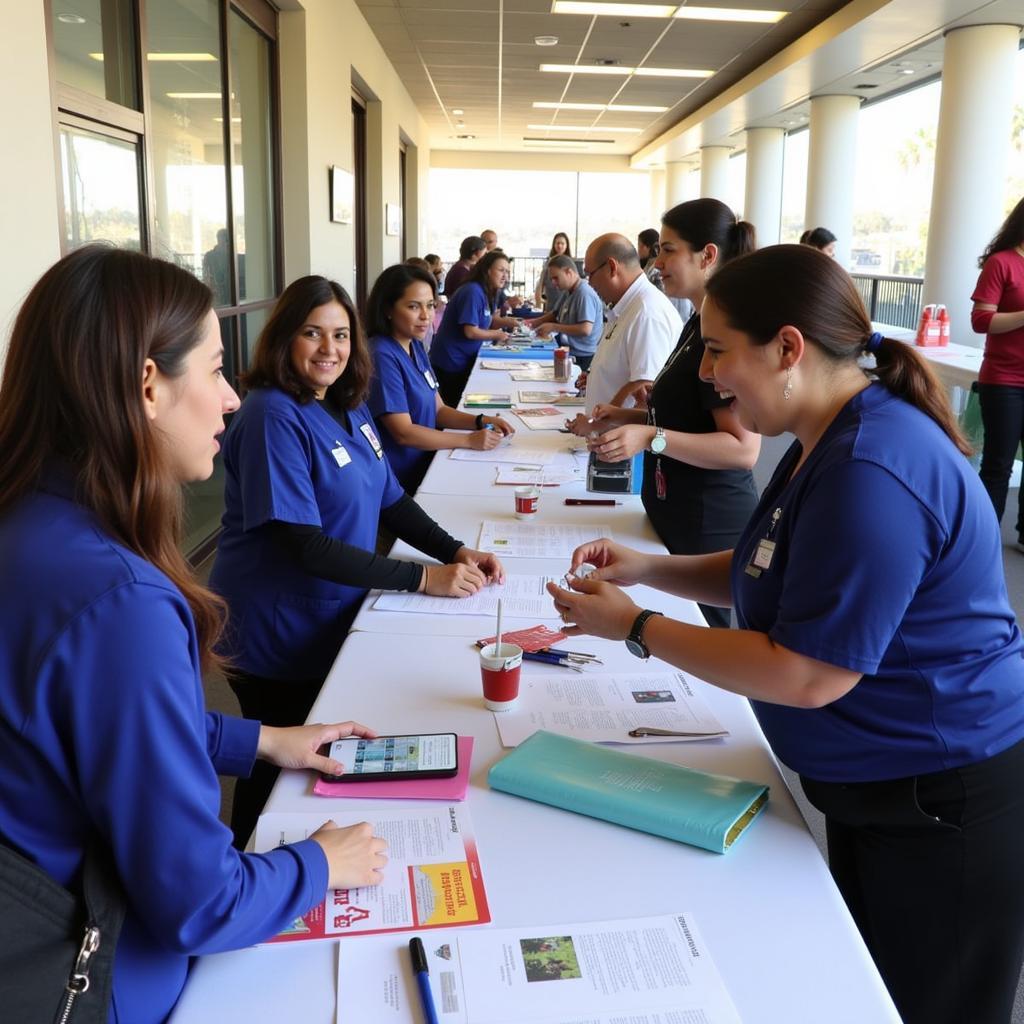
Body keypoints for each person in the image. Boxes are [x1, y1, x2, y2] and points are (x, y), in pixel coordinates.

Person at [548, 243, 1024, 1024]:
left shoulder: (873, 465)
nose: (707, 375)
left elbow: (807, 673)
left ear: (788, 348)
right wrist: (647, 570)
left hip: (943, 797)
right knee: (866, 992)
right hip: (878, 783)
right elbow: (767, 563)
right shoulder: (830, 437)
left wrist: (635, 627)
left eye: (717, 349)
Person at [0, 246, 388, 1024]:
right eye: (214, 371)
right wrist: (319, 862)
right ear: (149, 385)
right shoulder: (120, 599)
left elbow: (86, 727)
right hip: (92, 974)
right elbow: (199, 901)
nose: (230, 401)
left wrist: (263, 743)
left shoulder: (28, 524)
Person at [208, 275, 504, 845]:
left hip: (330, 610)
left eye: (341, 335)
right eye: (312, 333)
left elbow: (391, 497)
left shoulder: (346, 404)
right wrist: (423, 578)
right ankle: (247, 859)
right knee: (280, 766)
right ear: (283, 339)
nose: (329, 349)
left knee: (321, 755)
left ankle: (293, 858)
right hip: (275, 629)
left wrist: (456, 550)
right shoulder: (272, 416)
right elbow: (305, 545)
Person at [585, 199, 760, 627]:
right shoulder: (695, 323)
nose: (655, 261)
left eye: (667, 250)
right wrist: (626, 418)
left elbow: (741, 449)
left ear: (707, 256)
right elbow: (683, 418)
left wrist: (648, 437)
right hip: (673, 514)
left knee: (704, 649)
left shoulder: (723, 333)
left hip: (709, 522)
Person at [367, 263, 515, 492]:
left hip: (428, 461)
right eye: (413, 307)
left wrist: (480, 421)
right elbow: (403, 433)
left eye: (430, 305)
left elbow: (439, 411)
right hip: (401, 482)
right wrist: (468, 440)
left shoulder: (414, 345)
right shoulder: (381, 354)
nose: (426, 316)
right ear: (388, 308)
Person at [566, 233, 681, 429]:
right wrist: (597, 376)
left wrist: (595, 425)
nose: (590, 284)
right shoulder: (627, 307)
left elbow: (647, 400)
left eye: (590, 274)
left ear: (612, 267)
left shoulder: (646, 313)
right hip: (607, 442)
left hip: (624, 450)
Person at [971, 196, 1024, 548]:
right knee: (998, 464)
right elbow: (981, 320)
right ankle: (983, 542)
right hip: (1004, 380)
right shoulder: (1001, 263)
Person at [430, 249, 516, 406]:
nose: (505, 276)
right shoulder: (473, 291)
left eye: (508, 272)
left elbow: (488, 320)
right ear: (487, 270)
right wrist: (497, 335)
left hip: (464, 358)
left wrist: (512, 322)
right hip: (451, 362)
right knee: (455, 406)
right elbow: (470, 331)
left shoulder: (487, 291)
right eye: (501, 270)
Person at [524, 255, 604, 372]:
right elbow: (554, 314)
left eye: (556, 278)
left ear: (568, 272)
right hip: (567, 348)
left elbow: (585, 329)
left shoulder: (584, 294)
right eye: (552, 279)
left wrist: (553, 327)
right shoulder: (569, 290)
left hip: (582, 356)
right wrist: (533, 323)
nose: (553, 283)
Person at [534, 231, 572, 310]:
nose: (559, 246)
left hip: (566, 305)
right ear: (554, 245)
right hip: (551, 304)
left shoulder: (571, 263)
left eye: (562, 243)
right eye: (557, 243)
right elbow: (541, 282)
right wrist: (538, 304)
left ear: (566, 246)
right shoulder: (548, 263)